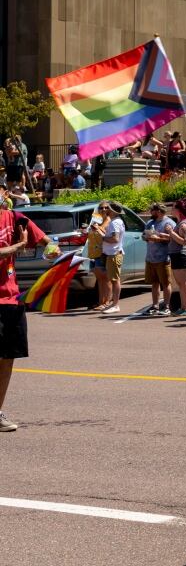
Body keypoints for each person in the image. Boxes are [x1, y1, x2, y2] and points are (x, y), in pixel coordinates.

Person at [0, 183, 58, 431]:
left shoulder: (15, 218)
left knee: (7, 358)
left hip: (10, 299)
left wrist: (52, 249)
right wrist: (16, 247)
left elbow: (44, 240)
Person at [142, 202, 176, 316]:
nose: (150, 212)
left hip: (163, 258)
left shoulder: (169, 223)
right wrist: (146, 237)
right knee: (154, 283)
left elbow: (173, 239)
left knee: (166, 283)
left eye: (152, 210)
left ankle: (166, 306)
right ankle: (155, 306)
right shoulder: (150, 223)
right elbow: (143, 236)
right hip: (150, 258)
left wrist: (159, 238)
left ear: (159, 211)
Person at [94, 202, 125, 314]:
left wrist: (102, 237)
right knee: (113, 280)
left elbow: (115, 239)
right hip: (113, 253)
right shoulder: (116, 221)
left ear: (112, 211)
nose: (106, 210)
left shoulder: (115, 223)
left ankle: (115, 305)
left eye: (108, 208)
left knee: (115, 280)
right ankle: (113, 304)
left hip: (114, 253)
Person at [165, 199, 186, 316]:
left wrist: (171, 232)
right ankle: (184, 307)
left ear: (178, 210)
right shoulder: (181, 223)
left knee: (183, 283)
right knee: (181, 283)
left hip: (182, 255)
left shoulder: (184, 225)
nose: (171, 210)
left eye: (173, 208)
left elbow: (183, 242)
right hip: (177, 255)